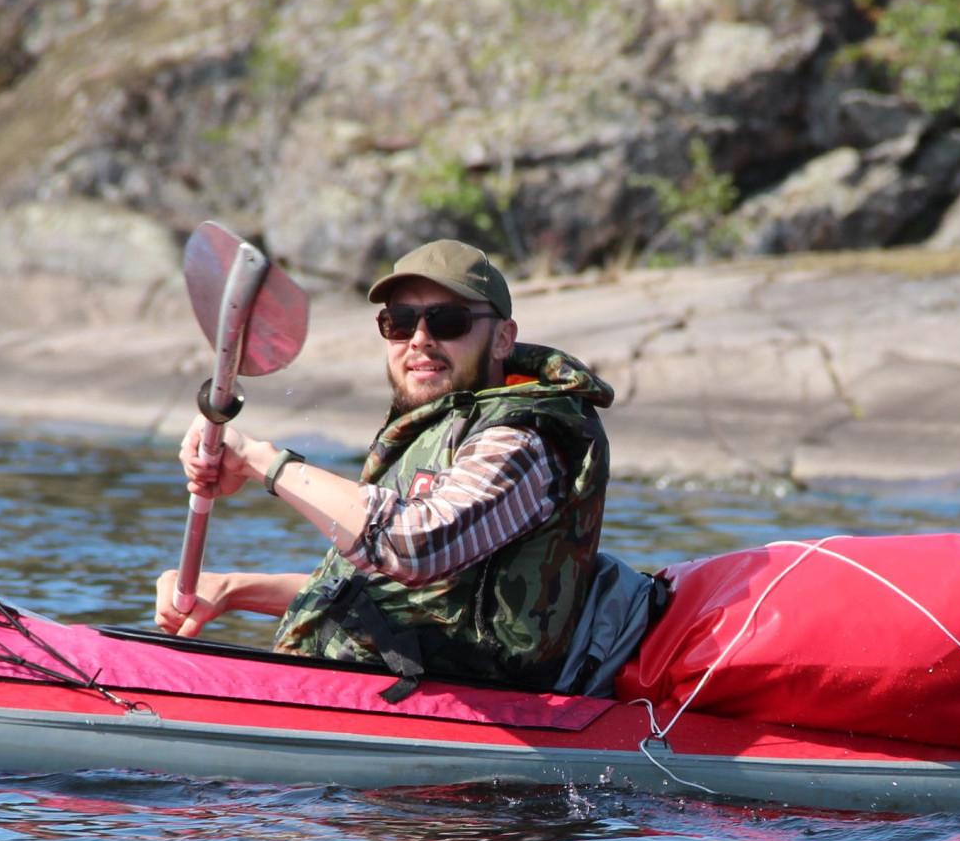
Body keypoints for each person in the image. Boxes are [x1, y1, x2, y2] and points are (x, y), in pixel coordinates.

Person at [154, 239, 618, 694]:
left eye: (448, 321)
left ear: (502, 339)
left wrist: (262, 462)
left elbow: (413, 547)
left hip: (472, 707)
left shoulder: (521, 442)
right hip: (396, 680)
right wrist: (234, 589)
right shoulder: (432, 426)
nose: (419, 339)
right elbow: (371, 589)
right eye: (399, 322)